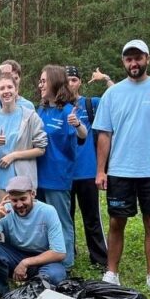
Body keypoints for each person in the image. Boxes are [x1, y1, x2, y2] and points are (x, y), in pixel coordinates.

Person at [93, 39, 150, 291]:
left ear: (147, 59)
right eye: (129, 59)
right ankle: (112, 273)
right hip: (120, 170)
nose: (133, 63)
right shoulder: (113, 93)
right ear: (123, 62)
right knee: (117, 222)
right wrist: (100, 170)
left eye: (138, 58)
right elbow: (104, 134)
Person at [0, 175, 68, 298]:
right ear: (9, 198)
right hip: (14, 255)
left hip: (43, 259)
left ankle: (30, 297)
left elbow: (59, 252)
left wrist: (26, 263)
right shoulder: (5, 211)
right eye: (15, 200)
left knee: (55, 275)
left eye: (23, 199)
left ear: (33, 194)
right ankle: (2, 296)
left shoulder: (48, 211)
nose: (19, 204)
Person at [36, 64, 86, 271]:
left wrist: (77, 124)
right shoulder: (40, 110)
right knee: (41, 221)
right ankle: (46, 256)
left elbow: (82, 135)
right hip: (37, 175)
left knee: (61, 220)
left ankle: (66, 262)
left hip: (57, 176)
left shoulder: (67, 111)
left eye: (44, 81)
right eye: (40, 81)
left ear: (55, 83)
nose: (40, 85)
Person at [0, 71, 47, 207]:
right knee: (1, 223)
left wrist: (14, 156)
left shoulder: (30, 117)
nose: (6, 91)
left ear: (16, 90)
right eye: (2, 88)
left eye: (10, 87)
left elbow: (41, 149)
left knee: (25, 224)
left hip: (24, 182)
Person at [66, 65, 108, 270]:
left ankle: (99, 258)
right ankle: (68, 253)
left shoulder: (91, 104)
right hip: (64, 174)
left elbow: (117, 98)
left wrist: (106, 79)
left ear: (80, 82)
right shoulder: (56, 107)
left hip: (87, 171)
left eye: (73, 80)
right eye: (66, 81)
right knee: (66, 217)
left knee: (92, 218)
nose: (70, 84)